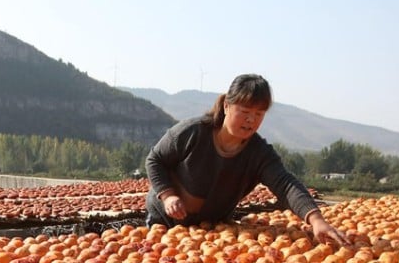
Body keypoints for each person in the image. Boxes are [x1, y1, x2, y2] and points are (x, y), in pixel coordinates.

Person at [144, 73, 347, 246]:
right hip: (165, 221)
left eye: (259, 114)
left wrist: (316, 219)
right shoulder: (193, 132)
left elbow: (285, 185)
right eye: (245, 112)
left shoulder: (258, 153)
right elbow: (155, 160)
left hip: (212, 229)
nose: (251, 120)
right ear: (226, 106)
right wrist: (168, 195)